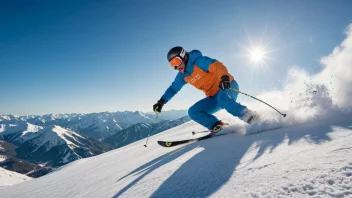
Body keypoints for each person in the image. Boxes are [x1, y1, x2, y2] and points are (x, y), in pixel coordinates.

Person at [153, 46, 259, 132]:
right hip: (213, 97)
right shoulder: (183, 75)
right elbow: (173, 89)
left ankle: (251, 116)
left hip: (227, 86)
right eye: (172, 65)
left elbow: (217, 66)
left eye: (176, 62)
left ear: (183, 56)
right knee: (193, 111)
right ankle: (217, 125)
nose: (176, 67)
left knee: (223, 99)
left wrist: (224, 78)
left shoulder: (199, 62)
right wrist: (161, 102)